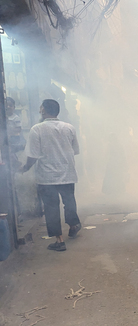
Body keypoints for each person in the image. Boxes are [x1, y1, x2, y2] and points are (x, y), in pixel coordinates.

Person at [20, 99, 81, 251]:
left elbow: (32, 155)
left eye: (40, 108)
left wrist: (25, 168)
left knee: (51, 208)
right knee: (69, 202)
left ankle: (59, 241)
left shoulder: (37, 129)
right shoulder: (69, 128)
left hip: (47, 177)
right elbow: (75, 150)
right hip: (67, 173)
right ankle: (74, 225)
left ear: (43, 110)